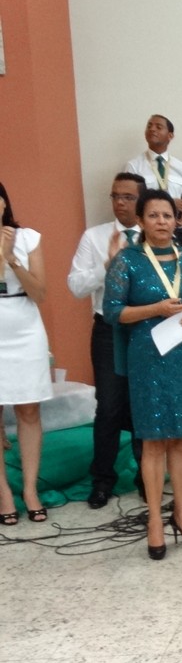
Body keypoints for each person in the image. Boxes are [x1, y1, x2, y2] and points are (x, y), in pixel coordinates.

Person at [104, 188, 182, 560]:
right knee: (153, 441)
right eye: (153, 215)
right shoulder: (128, 260)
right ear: (140, 220)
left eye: (167, 215)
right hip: (148, 357)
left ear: (176, 220)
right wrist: (155, 308)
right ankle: (155, 519)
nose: (162, 222)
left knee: (180, 440)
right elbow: (112, 311)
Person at [68, 172, 147, 508]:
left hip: (146, 329)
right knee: (109, 406)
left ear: (141, 201)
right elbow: (75, 286)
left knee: (144, 403)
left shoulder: (156, 233)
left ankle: (147, 478)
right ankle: (102, 480)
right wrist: (107, 266)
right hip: (109, 329)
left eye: (128, 197)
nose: (120, 202)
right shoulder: (95, 236)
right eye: (115, 196)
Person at [0, 182, 50, 525]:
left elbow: (40, 292)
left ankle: (30, 490)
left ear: (5, 202)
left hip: (25, 328)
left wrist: (11, 259)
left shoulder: (28, 237)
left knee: (29, 410)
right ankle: (4, 494)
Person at [124, 114, 182, 247]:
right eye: (149, 126)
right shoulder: (134, 166)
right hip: (144, 234)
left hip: (176, 233)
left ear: (170, 136)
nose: (152, 129)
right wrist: (170, 203)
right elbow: (129, 202)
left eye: (158, 127)